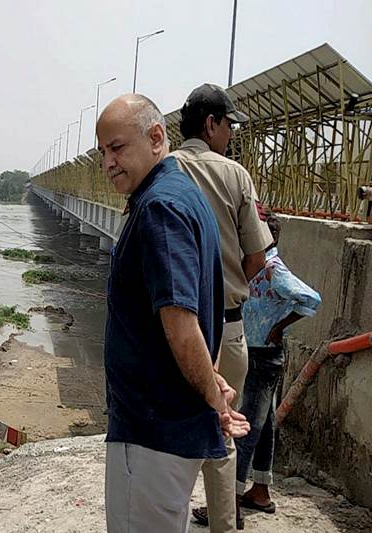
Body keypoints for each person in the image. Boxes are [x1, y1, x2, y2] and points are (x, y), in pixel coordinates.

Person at [98, 94, 249, 533]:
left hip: (151, 431)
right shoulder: (182, 194)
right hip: (166, 430)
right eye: (104, 152)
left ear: (157, 137)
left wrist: (212, 397)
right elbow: (202, 311)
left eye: (119, 147)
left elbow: (181, 321)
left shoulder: (160, 208)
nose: (108, 162)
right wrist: (211, 380)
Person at [173, 83, 273, 532]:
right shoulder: (236, 176)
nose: (232, 133)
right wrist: (227, 285)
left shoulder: (161, 170)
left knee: (170, 430)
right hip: (227, 327)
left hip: (172, 329)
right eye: (229, 124)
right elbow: (257, 257)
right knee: (223, 431)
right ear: (211, 124)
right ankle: (223, 526)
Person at [235, 211, 321, 516]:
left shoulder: (272, 268)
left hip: (262, 357)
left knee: (246, 426)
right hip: (258, 353)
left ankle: (229, 501)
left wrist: (280, 325)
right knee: (265, 425)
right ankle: (260, 491)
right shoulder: (258, 265)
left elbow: (311, 298)